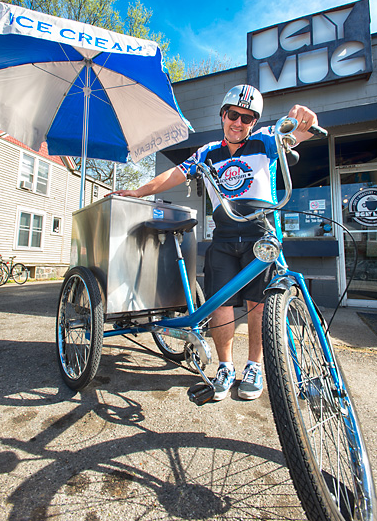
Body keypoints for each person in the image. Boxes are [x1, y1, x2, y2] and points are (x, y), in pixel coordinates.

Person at [111, 85, 318, 402]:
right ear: (223, 115)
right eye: (233, 114)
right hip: (222, 236)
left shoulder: (264, 141)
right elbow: (174, 176)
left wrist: (302, 119)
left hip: (259, 235)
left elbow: (292, 132)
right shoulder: (207, 152)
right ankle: (225, 367)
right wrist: (139, 191)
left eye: (247, 118)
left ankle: (253, 366)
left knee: (258, 305)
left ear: (253, 121)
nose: (239, 122)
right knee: (221, 306)